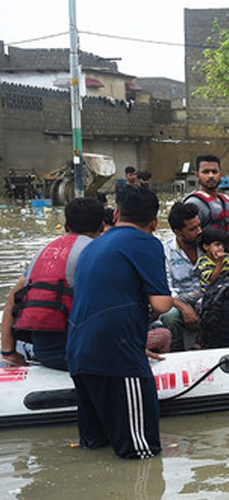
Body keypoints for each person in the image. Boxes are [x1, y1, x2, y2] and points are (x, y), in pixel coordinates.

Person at [66, 187, 172, 459]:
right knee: (141, 455)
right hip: (118, 357)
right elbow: (160, 304)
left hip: (79, 353)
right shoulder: (146, 242)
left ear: (115, 214)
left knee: (95, 448)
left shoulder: (93, 245)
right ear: (154, 222)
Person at [1, 198, 105, 369]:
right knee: (161, 335)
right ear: (102, 226)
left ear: (65, 226)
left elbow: (12, 298)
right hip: (81, 354)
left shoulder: (44, 251)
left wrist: (8, 352)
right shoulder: (98, 251)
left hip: (44, 352)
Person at [159, 202, 203, 352]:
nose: (199, 231)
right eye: (192, 229)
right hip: (178, 300)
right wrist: (184, 308)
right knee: (169, 316)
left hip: (206, 296)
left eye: (199, 226)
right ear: (178, 232)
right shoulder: (165, 251)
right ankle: (177, 353)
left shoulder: (207, 244)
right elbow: (167, 288)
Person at [184, 154, 229, 258]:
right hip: (207, 265)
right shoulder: (194, 203)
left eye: (214, 172)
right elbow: (187, 240)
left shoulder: (227, 201)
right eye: (205, 172)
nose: (211, 176)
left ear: (221, 174)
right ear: (197, 175)